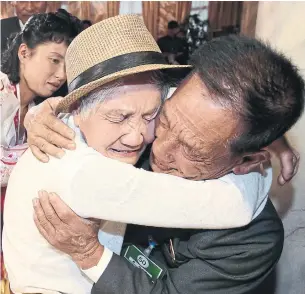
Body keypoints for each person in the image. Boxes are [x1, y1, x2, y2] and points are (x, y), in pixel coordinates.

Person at [25, 34, 303, 294]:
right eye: (165, 120)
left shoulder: (249, 242)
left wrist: (90, 253)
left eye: (191, 150)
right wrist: (48, 111)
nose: (159, 149)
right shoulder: (155, 119)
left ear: (248, 160)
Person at [0, 9, 82, 289]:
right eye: (54, 60)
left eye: (67, 65)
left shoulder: (36, 110)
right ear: (24, 53)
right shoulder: (1, 91)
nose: (61, 75)